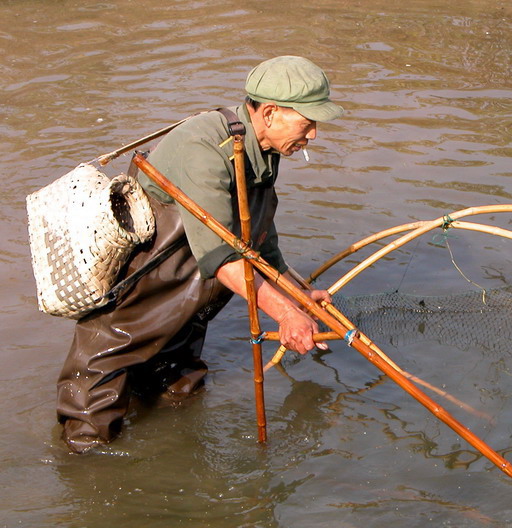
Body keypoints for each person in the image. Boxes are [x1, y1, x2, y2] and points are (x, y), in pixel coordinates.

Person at [56, 56, 344, 454]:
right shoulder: (204, 147)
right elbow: (223, 255)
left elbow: (258, 237)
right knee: (102, 377)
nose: (313, 135)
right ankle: (85, 472)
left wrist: (296, 290)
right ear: (272, 112)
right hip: (150, 279)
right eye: (308, 122)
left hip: (194, 289)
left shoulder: (264, 148)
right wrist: (286, 314)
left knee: (179, 385)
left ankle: (174, 452)